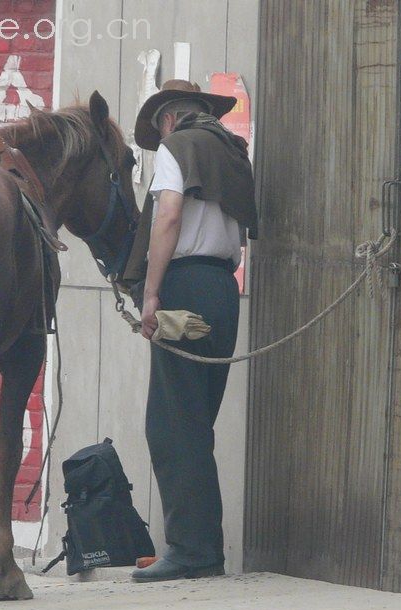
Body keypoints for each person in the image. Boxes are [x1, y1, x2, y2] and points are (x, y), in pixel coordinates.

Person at [123, 79, 258, 582]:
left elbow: (169, 218)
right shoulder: (231, 153)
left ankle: (191, 551)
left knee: (172, 424)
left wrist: (153, 294)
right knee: (196, 421)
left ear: (167, 118)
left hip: (184, 284)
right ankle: (201, 549)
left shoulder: (177, 147)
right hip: (224, 289)